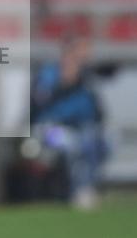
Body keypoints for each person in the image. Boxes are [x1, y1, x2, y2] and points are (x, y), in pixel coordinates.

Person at [30, 35, 109, 209]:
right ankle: (77, 190)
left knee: (101, 141)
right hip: (49, 129)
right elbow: (39, 102)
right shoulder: (50, 73)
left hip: (80, 128)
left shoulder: (86, 79)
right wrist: (65, 84)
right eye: (83, 50)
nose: (87, 55)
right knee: (73, 144)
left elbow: (96, 111)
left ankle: (87, 187)